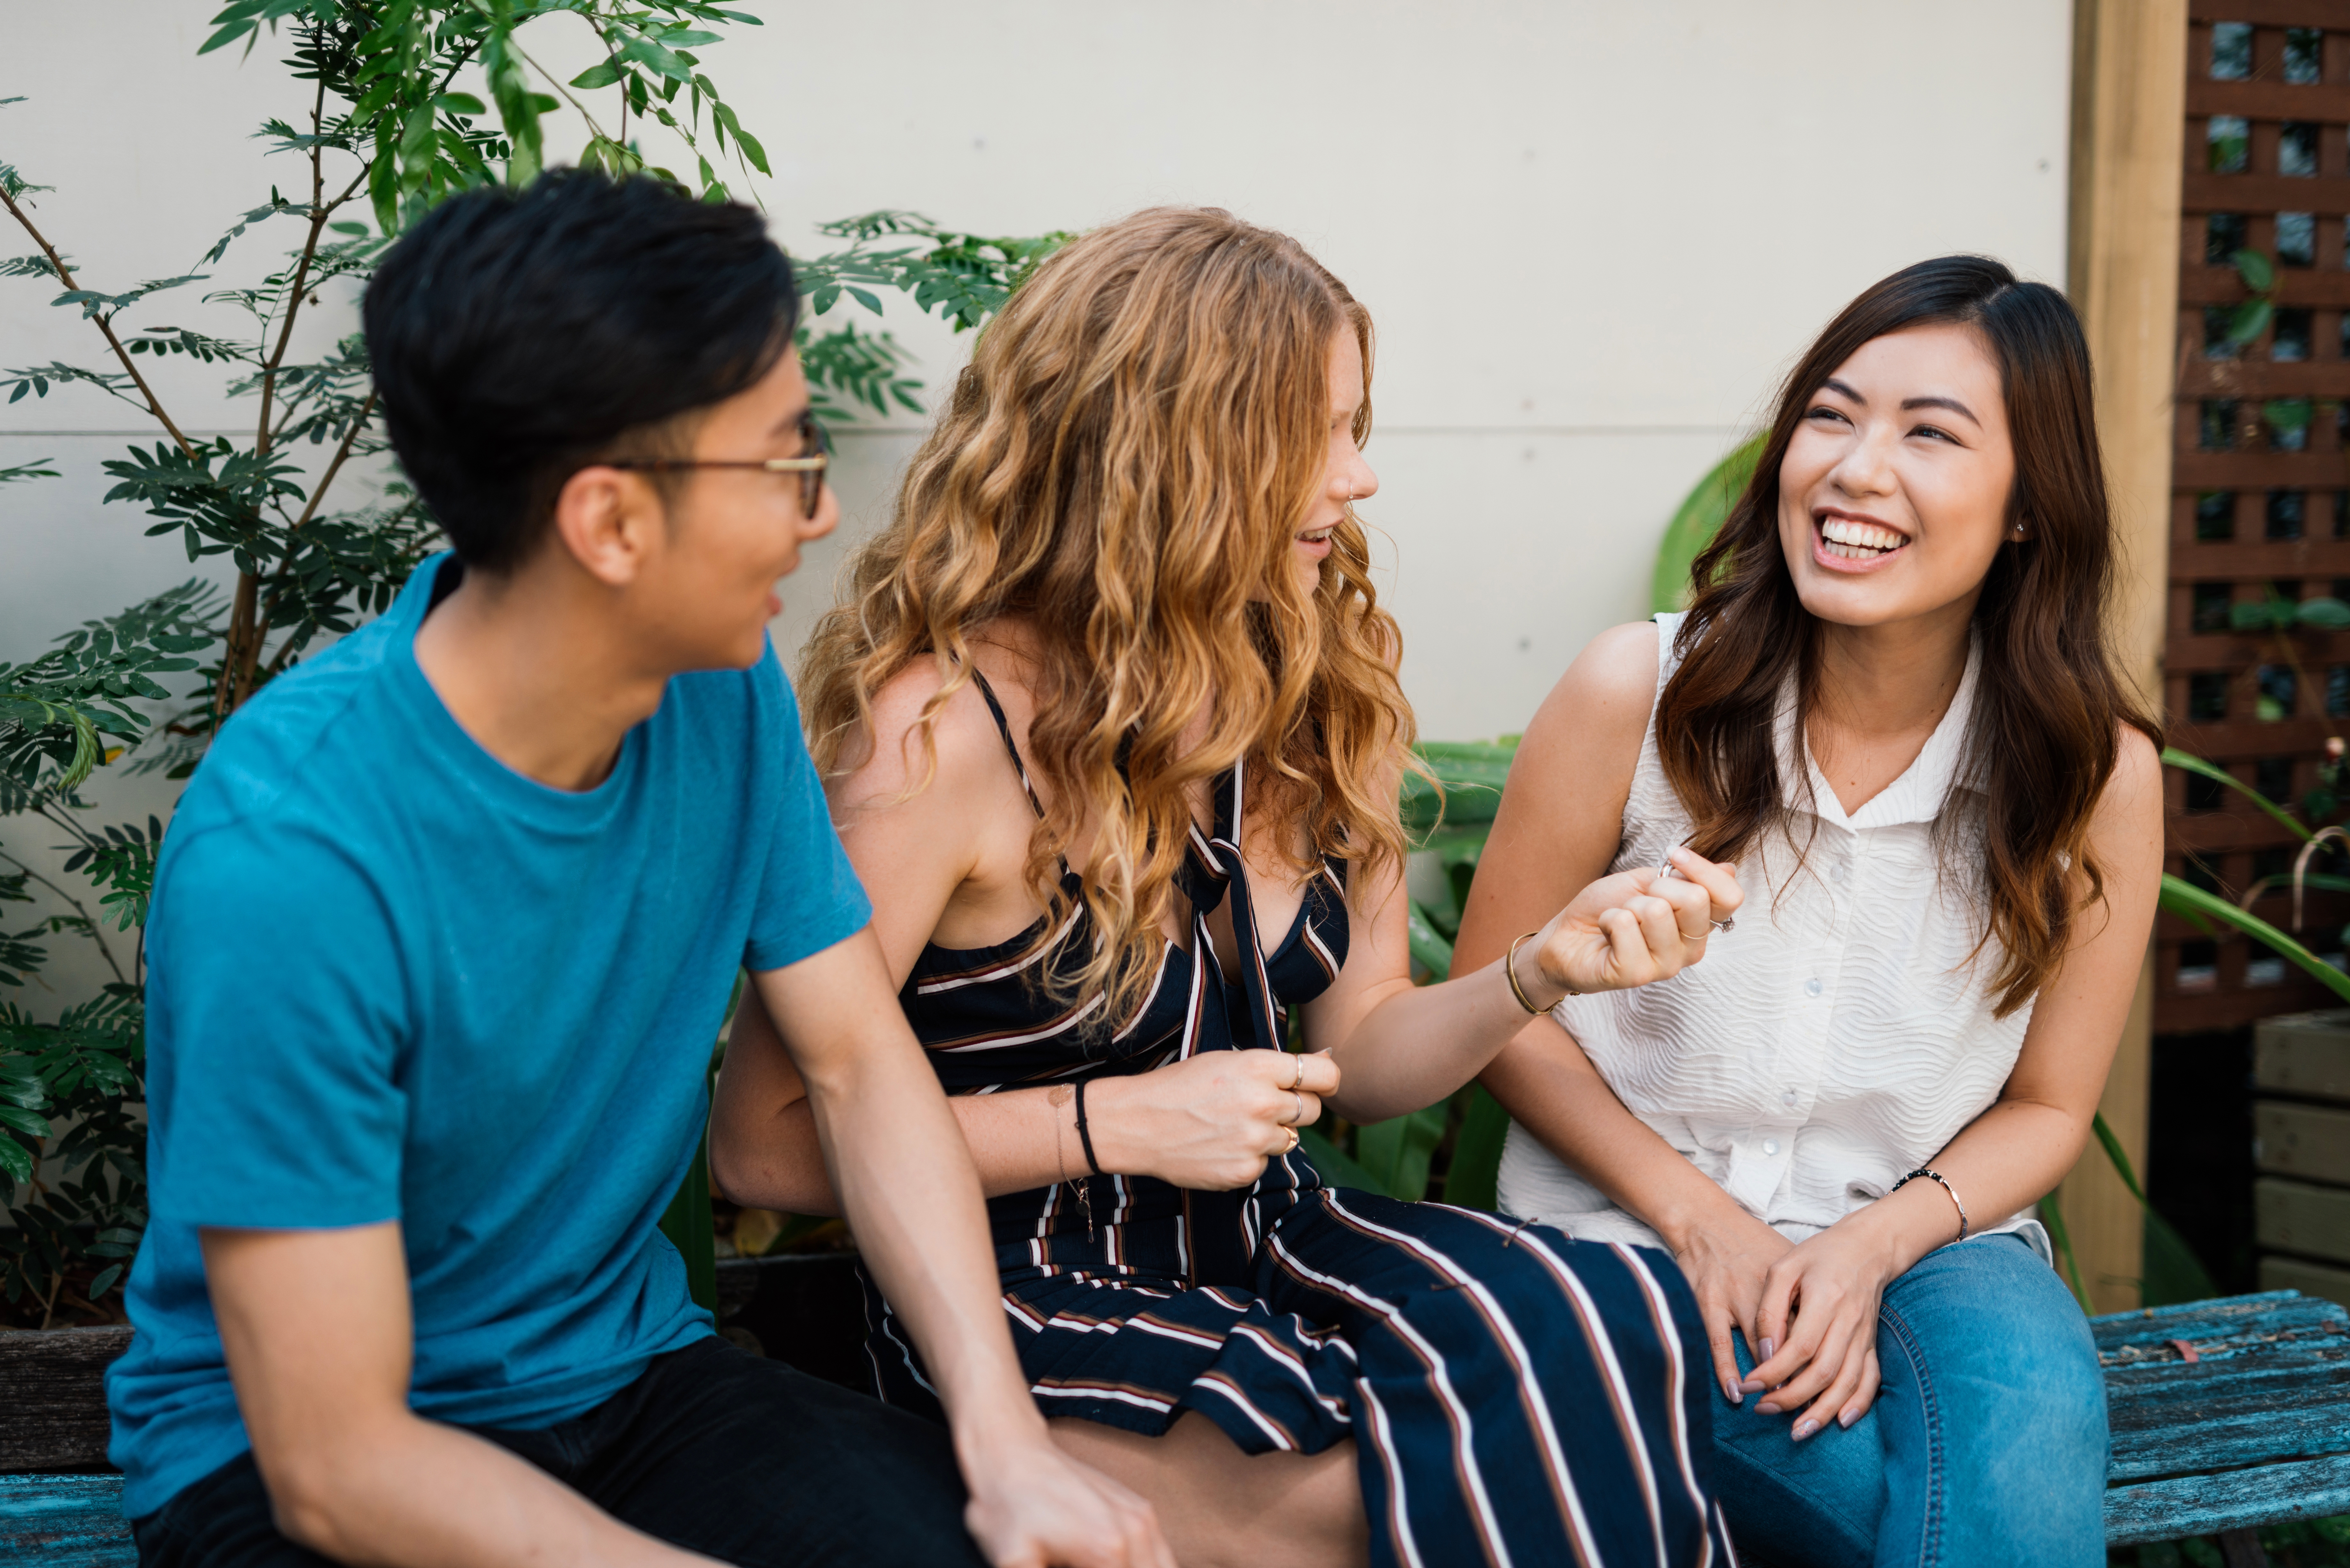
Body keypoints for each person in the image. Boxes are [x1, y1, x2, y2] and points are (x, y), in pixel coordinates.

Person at [107, 170, 1171, 1568]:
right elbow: (339, 1463)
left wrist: (1005, 1442)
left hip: (628, 1385)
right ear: (610, 523)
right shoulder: (295, 858)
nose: (817, 514)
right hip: (297, 1467)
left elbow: (855, 1063)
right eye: (787, 464)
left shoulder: (714, 701)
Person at [709, 207, 1744, 1568]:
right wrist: (1114, 1120)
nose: (1359, 477)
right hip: (1015, 1286)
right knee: (1422, 1504)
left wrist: (1535, 970)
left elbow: (1361, 1052)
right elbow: (767, 1145)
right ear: (1179, 451)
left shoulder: (1313, 683)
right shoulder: (940, 738)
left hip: (1268, 1241)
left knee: (1609, 1312)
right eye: (1322, 432)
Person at [1453, 255, 2161, 1567]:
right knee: (1845, 1476)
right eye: (1829, 416)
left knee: (2029, 1425)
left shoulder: (2092, 772)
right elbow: (1497, 1011)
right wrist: (1701, 1219)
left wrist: (1867, 1246)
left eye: (1929, 435)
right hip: (1629, 1239)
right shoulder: (1637, 691)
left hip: (1939, 1238)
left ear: (2026, 508)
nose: (1851, 468)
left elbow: (2052, 1105)